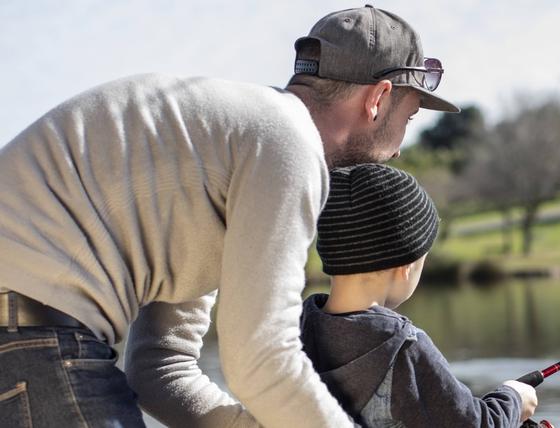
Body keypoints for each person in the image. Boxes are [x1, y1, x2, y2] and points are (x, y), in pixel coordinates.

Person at [0, 5, 457, 427]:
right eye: (409, 117)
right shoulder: (286, 144)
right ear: (377, 99)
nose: (399, 148)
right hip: (32, 335)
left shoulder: (227, 146)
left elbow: (162, 367)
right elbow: (262, 358)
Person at [300, 164, 538, 427]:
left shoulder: (294, 335)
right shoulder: (403, 347)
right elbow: (475, 424)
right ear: (404, 267)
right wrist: (514, 399)